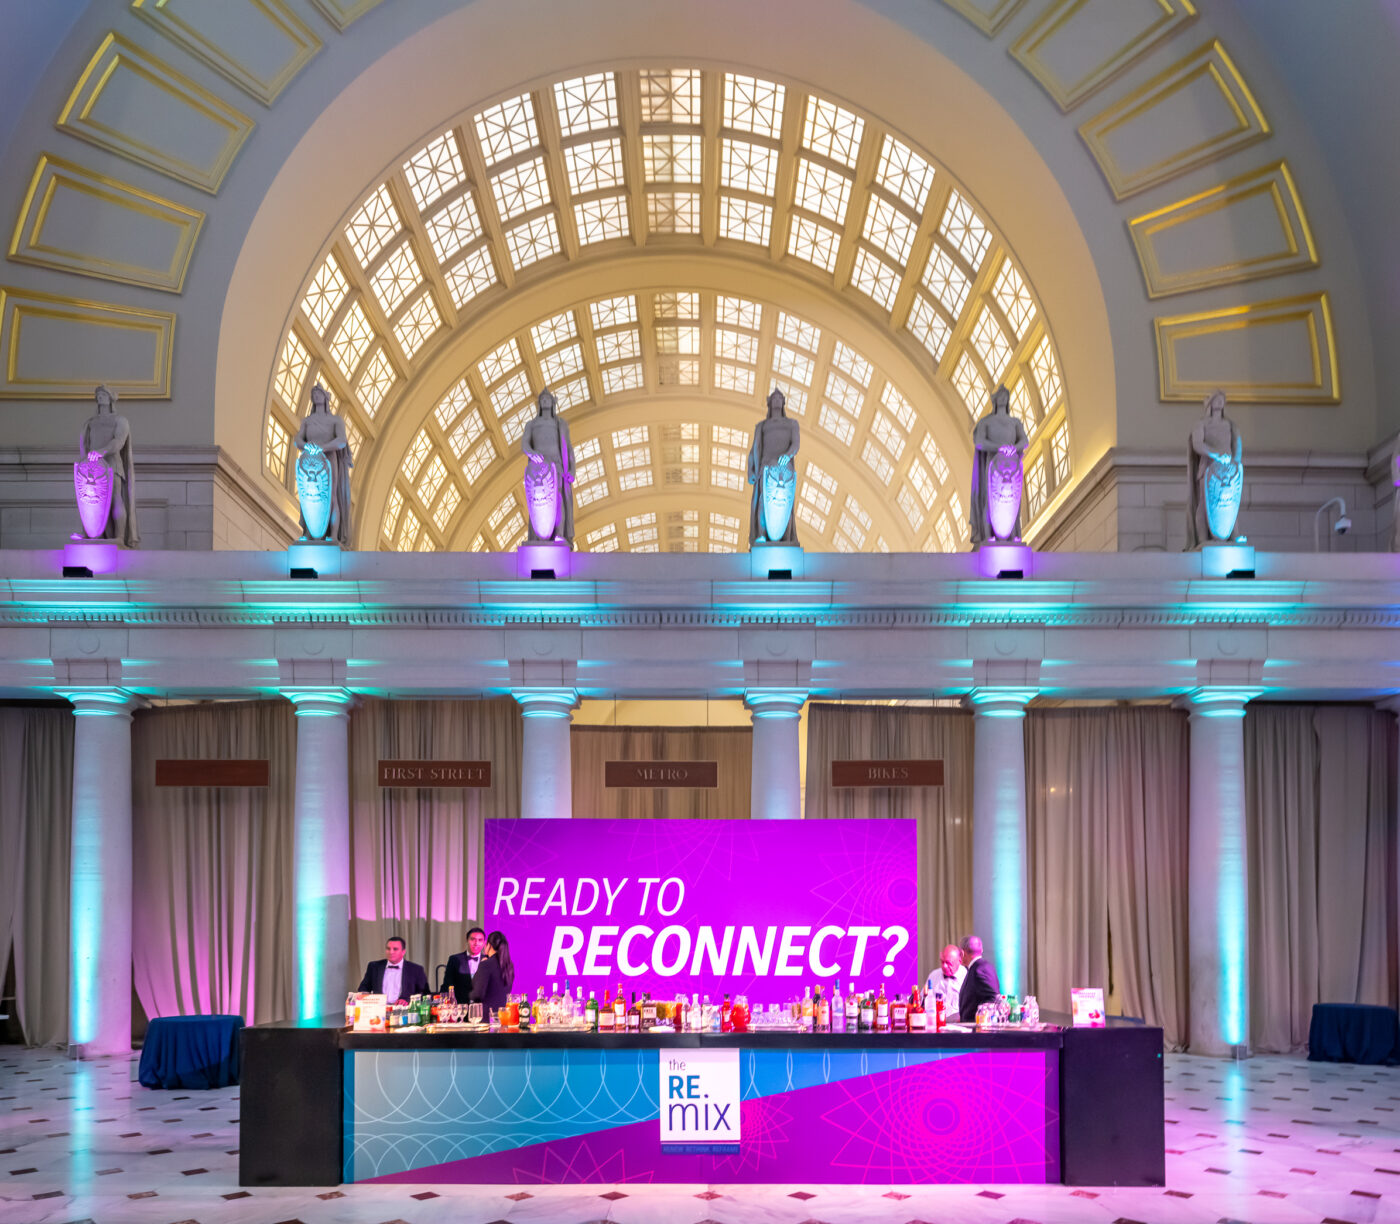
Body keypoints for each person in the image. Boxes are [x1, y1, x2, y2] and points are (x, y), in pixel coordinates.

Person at [78, 385, 139, 548]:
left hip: (112, 464)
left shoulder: (120, 420)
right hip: (91, 466)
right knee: (90, 500)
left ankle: (119, 536)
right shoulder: (90, 423)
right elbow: (85, 444)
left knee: (114, 498)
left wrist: (101, 451)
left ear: (111, 398)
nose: (100, 397)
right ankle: (91, 533)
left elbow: (118, 442)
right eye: (98, 394)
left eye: (104, 394)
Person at [292, 383, 354, 545]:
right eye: (313, 394)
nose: (315, 396)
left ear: (325, 397)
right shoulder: (307, 421)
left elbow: (341, 440)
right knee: (308, 494)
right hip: (309, 460)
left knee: (329, 495)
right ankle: (307, 531)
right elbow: (298, 439)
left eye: (318, 393)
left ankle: (333, 535)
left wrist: (323, 448)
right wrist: (307, 446)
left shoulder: (335, 421)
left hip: (328, 459)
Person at [520, 389, 576, 544]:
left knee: (557, 498)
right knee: (536, 500)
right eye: (542, 399)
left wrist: (571, 469)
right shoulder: (532, 424)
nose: (545, 401)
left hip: (556, 465)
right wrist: (531, 453)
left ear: (552, 403)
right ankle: (538, 536)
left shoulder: (559, 424)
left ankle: (559, 534)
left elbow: (568, 448)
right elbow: (525, 443)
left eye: (548, 399)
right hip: (537, 466)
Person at [747, 387, 801, 544]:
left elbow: (796, 444)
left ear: (783, 402)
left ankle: (786, 537)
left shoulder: (792, 423)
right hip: (766, 466)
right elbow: (754, 450)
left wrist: (788, 454)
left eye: (779, 398)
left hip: (785, 468)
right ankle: (761, 534)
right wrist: (750, 470)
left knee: (786, 504)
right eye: (774, 398)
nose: (777, 400)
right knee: (764, 501)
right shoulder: (762, 426)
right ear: (770, 403)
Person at [357, 935, 428, 1004]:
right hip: (379, 1010)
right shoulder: (374, 966)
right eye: (388, 949)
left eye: (395, 949)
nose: (391, 952)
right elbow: (363, 988)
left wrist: (408, 1000)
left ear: (403, 952)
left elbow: (424, 994)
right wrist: (369, 999)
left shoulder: (416, 969)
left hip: (405, 1010)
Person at [957, 934, 1001, 1023]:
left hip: (977, 1029)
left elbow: (993, 997)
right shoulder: (981, 967)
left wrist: (980, 1018)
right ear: (981, 950)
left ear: (962, 953)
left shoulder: (979, 969)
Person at [471, 929, 515, 1013]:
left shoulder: (485, 964)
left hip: (485, 1018)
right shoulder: (509, 965)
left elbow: (477, 995)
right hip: (502, 1016)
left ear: (489, 945)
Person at [442, 926, 486, 999]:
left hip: (483, 1005)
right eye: (473, 939)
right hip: (460, 1005)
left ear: (484, 943)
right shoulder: (454, 959)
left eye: (480, 940)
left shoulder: (488, 960)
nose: (476, 943)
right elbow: (447, 984)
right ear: (467, 940)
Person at [925, 944, 966, 1019]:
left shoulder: (966, 977)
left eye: (948, 963)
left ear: (959, 961)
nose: (944, 966)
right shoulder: (933, 975)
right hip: (936, 1022)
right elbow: (923, 1000)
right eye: (942, 962)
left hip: (958, 1025)